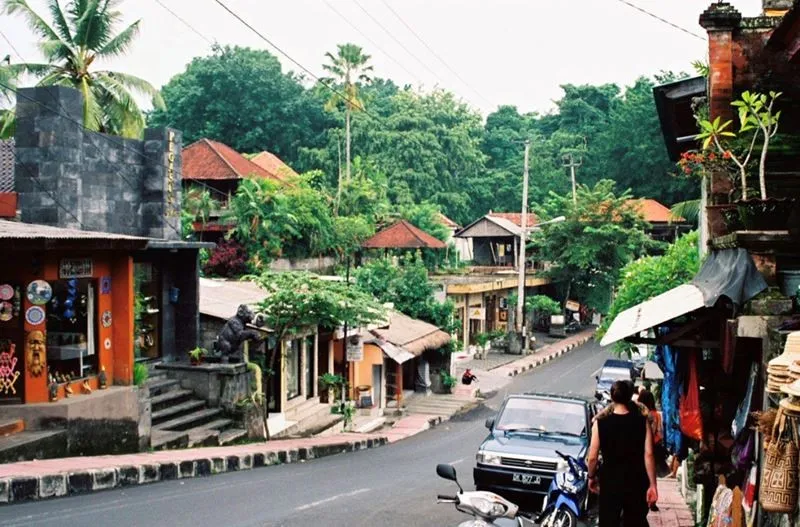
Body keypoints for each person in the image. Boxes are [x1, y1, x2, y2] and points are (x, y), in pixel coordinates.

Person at [588, 380, 658, 527]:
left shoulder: (600, 423)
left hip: (610, 481)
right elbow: (649, 454)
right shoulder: (641, 422)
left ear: (612, 398)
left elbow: (593, 457)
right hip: (636, 480)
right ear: (630, 397)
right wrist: (653, 485)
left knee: (608, 521)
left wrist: (591, 477)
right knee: (635, 522)